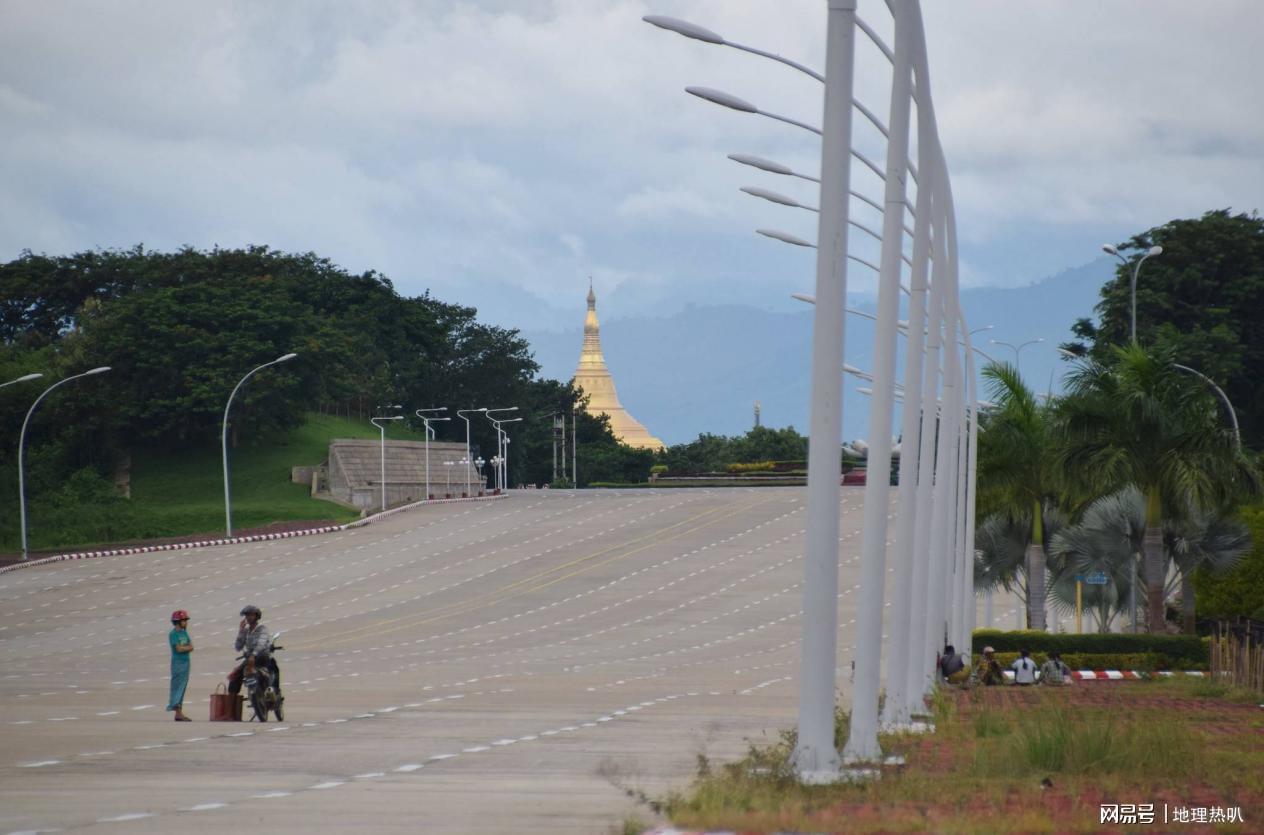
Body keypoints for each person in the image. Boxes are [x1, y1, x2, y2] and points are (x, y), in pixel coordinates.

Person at [228, 604, 279, 697]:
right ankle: (232, 702)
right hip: (250, 659)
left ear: (256, 616)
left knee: (273, 668)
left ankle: (273, 691)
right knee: (234, 677)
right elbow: (238, 647)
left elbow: (261, 643)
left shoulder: (262, 628)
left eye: (251, 615)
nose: (249, 618)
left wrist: (253, 654)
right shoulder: (246, 631)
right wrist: (241, 631)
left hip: (262, 656)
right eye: (247, 615)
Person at [167, 610, 194, 721]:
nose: (186, 622)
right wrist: (186, 648)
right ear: (178, 621)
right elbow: (178, 649)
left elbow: (191, 647)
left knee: (182, 687)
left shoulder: (184, 633)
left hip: (186, 662)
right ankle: (177, 710)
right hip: (177, 663)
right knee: (178, 686)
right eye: (184, 620)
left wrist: (185, 648)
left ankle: (179, 712)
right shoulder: (173, 634)